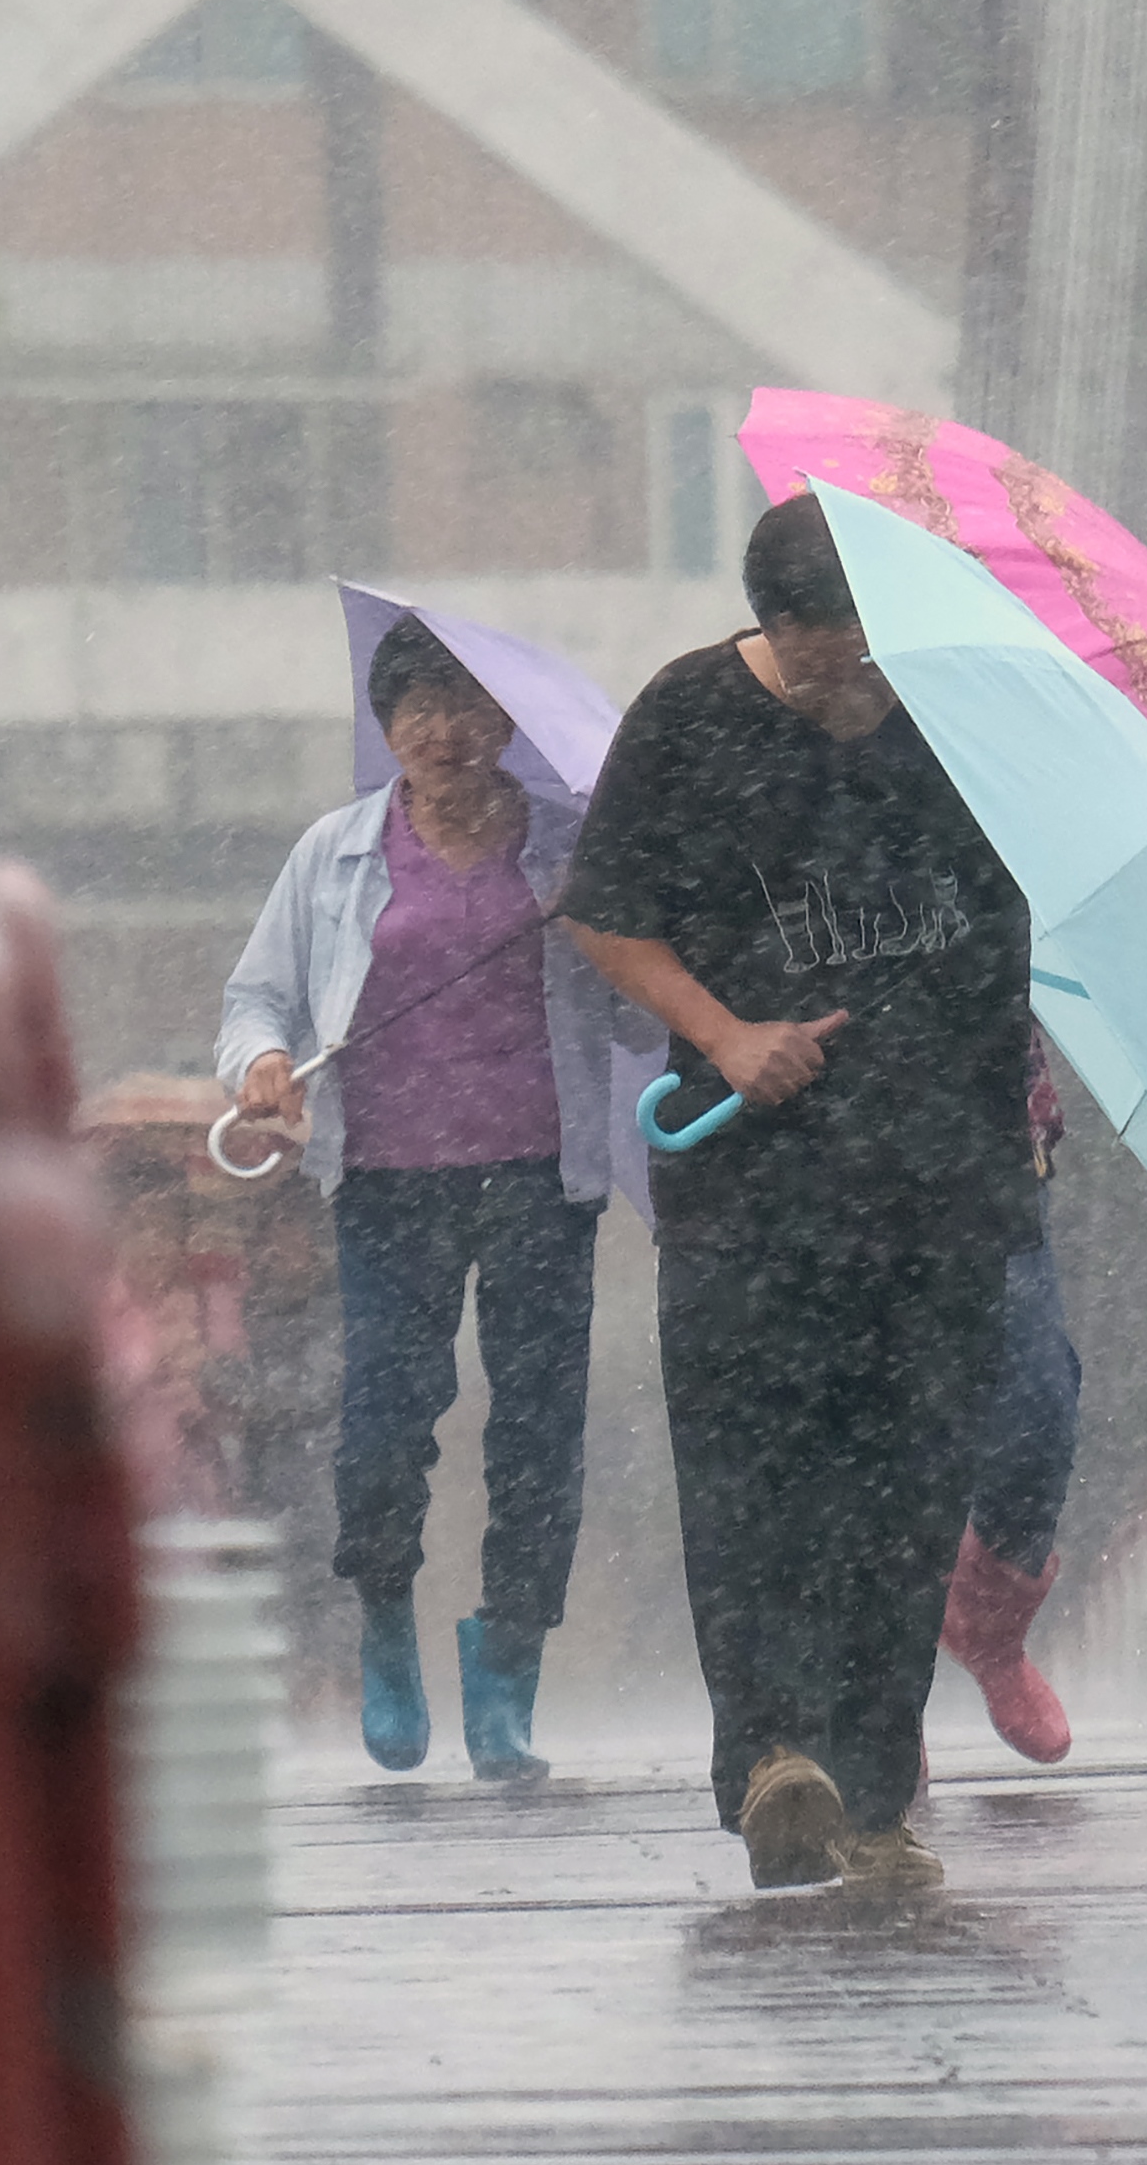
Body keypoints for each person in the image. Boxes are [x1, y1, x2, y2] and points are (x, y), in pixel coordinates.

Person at [560, 493, 1033, 1892]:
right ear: (775, 632)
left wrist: (1007, 1154)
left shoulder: (955, 724)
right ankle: (773, 1758)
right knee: (755, 1480)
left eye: (873, 656)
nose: (856, 688)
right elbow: (602, 911)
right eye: (829, 660)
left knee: (904, 1497)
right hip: (748, 1191)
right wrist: (725, 1036)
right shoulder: (688, 719)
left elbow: (1003, 944)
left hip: (936, 1186)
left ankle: (880, 1798)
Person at [215, 616, 627, 1782]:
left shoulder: (569, 852)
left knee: (538, 1431)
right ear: (384, 724)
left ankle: (508, 1664)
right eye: (416, 707)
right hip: (387, 1182)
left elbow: (644, 1018)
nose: (444, 731)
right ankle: (385, 1619)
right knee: (383, 1429)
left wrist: (600, 931)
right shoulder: (333, 854)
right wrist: (254, 1066)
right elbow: (258, 999)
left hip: (542, 1179)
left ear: (509, 723)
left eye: (467, 706)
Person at [939, 1037, 1081, 1763]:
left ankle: (988, 1624)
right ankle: (873, 1693)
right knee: (871, 1428)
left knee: (1039, 1405)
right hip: (839, 1141)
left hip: (996, 1139)